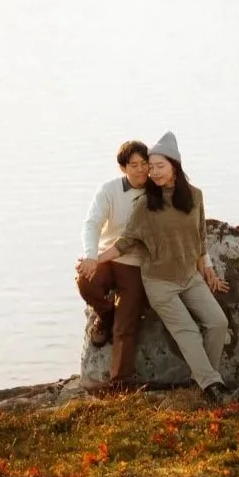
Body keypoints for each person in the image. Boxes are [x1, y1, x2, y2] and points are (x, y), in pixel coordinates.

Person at [112, 130, 235, 404]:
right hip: (159, 282)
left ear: (175, 167)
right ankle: (213, 387)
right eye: (150, 167)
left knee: (217, 322)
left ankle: (203, 378)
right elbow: (127, 240)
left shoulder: (194, 196)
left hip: (189, 277)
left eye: (159, 166)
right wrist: (96, 258)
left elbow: (200, 236)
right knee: (188, 330)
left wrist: (208, 268)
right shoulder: (146, 204)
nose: (153, 172)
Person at [75, 139, 153, 391]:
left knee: (126, 325)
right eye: (134, 165)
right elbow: (92, 223)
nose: (141, 170)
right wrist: (90, 255)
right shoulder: (108, 191)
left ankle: (119, 384)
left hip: (135, 264)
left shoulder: (156, 191)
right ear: (123, 168)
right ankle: (105, 314)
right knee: (85, 279)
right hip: (106, 257)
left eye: (145, 164)